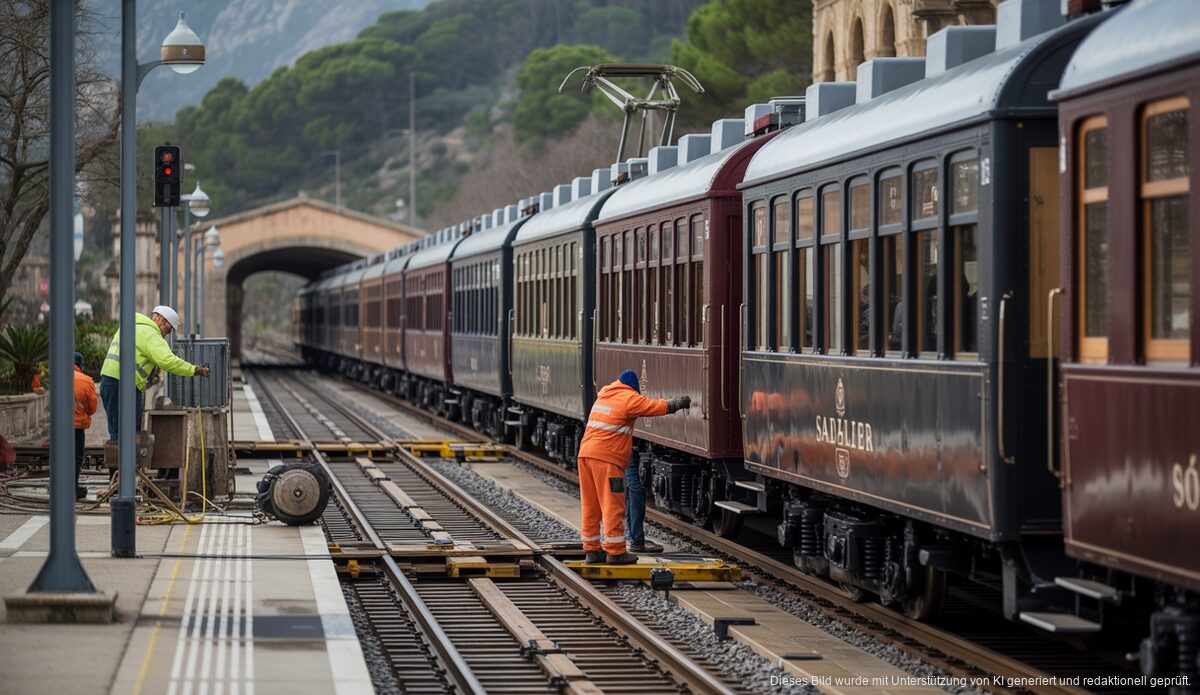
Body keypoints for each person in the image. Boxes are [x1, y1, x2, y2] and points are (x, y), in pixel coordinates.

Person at [577, 369, 689, 565]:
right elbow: (654, 406)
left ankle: (592, 550)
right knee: (613, 505)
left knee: (590, 505)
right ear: (633, 388)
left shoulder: (604, 397)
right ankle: (615, 551)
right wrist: (678, 404)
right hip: (607, 459)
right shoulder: (628, 397)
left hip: (585, 455)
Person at [99, 306, 210, 442]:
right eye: (168, 330)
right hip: (125, 384)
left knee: (117, 430)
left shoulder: (131, 326)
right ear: (161, 320)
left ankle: (121, 459)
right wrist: (194, 370)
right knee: (130, 432)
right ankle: (126, 461)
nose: (167, 335)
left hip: (108, 381)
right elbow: (167, 361)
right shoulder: (152, 334)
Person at [625, 450, 662, 553]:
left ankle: (634, 538)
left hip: (627, 442)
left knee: (632, 481)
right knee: (635, 483)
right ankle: (636, 540)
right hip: (631, 440)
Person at [73, 351, 97, 500]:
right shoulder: (87, 381)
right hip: (76, 427)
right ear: (80, 365)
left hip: (58, 428)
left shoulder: (57, 377)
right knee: (76, 458)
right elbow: (92, 408)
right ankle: (72, 488)